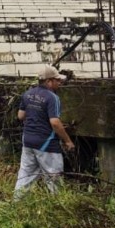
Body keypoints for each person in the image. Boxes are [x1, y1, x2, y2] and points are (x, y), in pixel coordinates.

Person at [14, 65, 74, 197]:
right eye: (57, 80)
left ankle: (17, 205)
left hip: (28, 141)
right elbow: (55, 122)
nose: (59, 83)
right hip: (46, 143)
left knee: (25, 176)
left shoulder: (27, 94)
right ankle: (58, 207)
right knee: (54, 179)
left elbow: (20, 116)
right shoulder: (52, 97)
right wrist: (68, 141)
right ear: (48, 81)